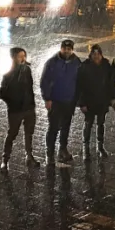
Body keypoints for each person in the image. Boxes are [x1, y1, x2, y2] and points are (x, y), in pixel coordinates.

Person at [40, 39, 82, 167]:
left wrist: (77, 100)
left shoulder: (77, 62)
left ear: (72, 49)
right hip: (55, 100)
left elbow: (80, 81)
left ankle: (62, 149)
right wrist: (47, 99)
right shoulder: (52, 62)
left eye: (69, 49)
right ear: (61, 48)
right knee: (53, 127)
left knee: (66, 127)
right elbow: (44, 81)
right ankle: (50, 152)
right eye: (65, 49)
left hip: (69, 101)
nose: (67, 51)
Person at [0, 47, 39, 172]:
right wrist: (14, 102)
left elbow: (30, 87)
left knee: (29, 133)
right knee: (12, 134)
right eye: (20, 56)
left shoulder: (27, 70)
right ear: (14, 58)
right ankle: (5, 159)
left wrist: (31, 102)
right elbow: (2, 93)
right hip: (16, 110)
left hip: (29, 108)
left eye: (24, 56)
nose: (23, 59)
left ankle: (29, 156)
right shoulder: (8, 75)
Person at [78, 44, 115, 162]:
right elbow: (80, 86)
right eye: (94, 54)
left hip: (102, 101)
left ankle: (100, 147)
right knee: (88, 124)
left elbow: (110, 83)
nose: (96, 56)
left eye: (98, 54)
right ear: (91, 55)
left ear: (101, 54)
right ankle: (86, 149)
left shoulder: (106, 65)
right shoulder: (84, 66)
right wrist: (81, 103)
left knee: (101, 123)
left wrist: (111, 98)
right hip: (89, 101)